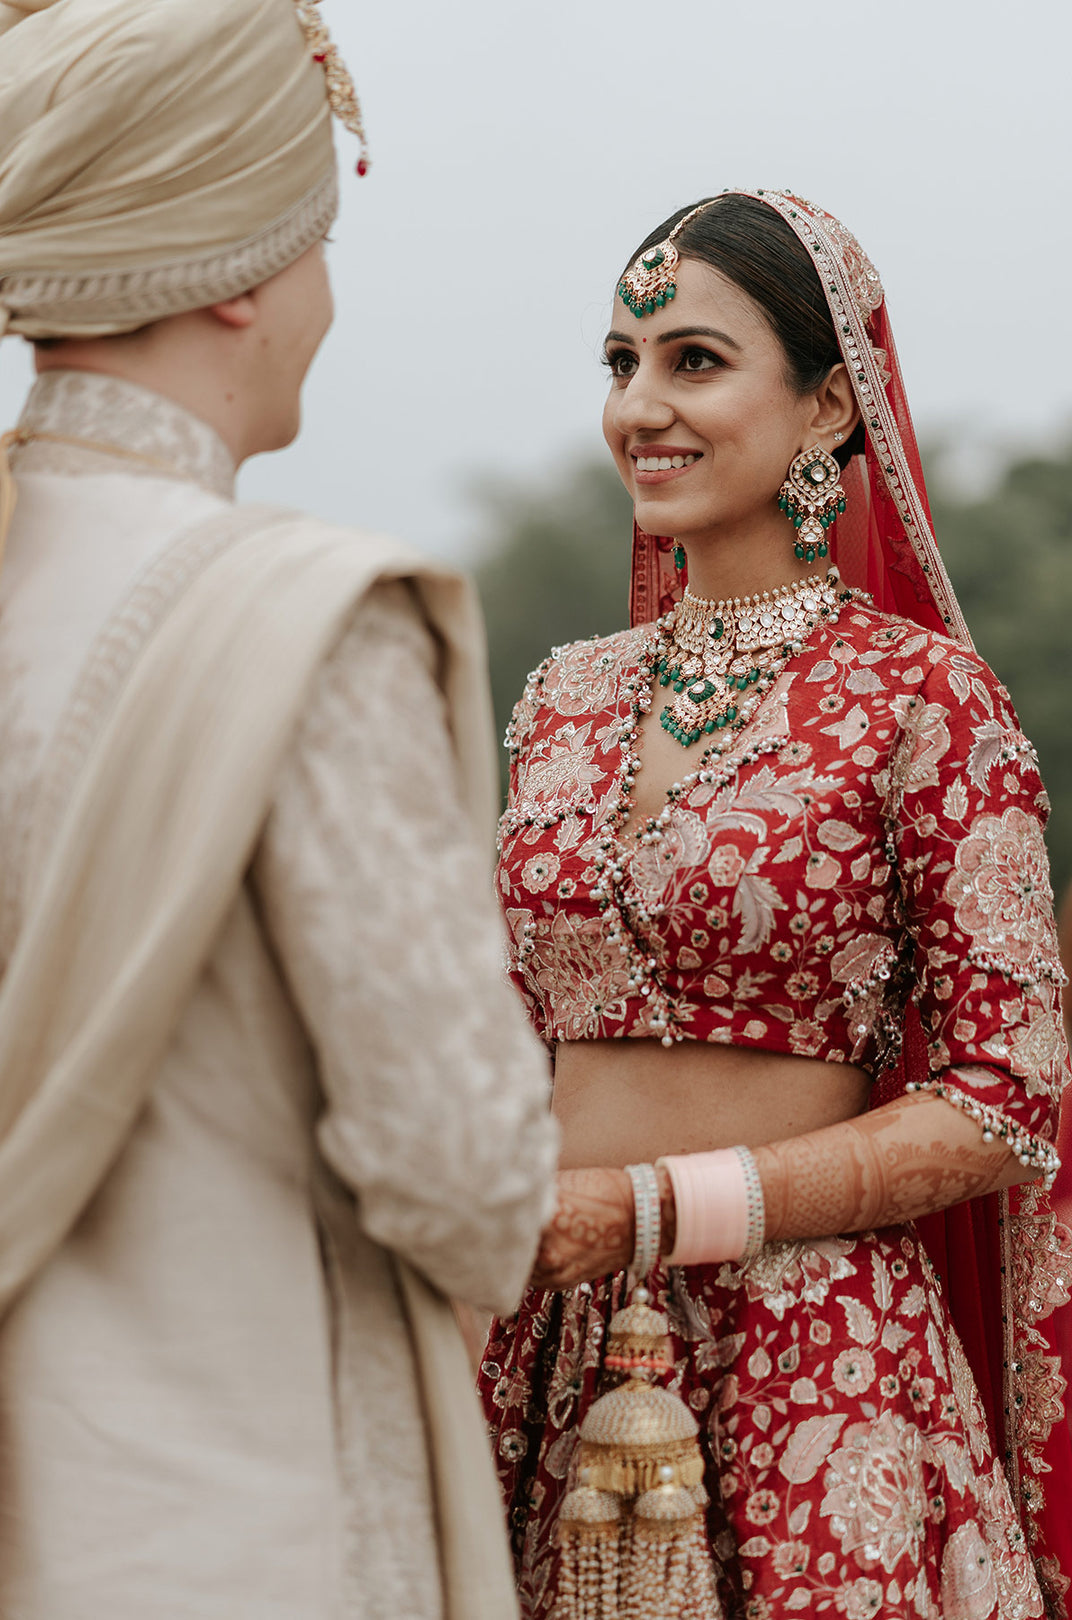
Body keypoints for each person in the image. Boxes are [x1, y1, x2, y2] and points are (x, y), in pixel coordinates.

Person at [0, 1, 557, 1616]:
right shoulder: (300, 620)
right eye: (318, 232)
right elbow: (463, 1170)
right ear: (242, 269)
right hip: (244, 1520)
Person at [478, 189, 1072, 1618]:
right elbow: (500, 1037)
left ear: (826, 407)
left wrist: (647, 1210)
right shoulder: (562, 695)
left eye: (693, 360)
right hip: (538, 1358)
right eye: (620, 363)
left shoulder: (922, 700)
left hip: (816, 1368)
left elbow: (1011, 1094)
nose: (640, 406)